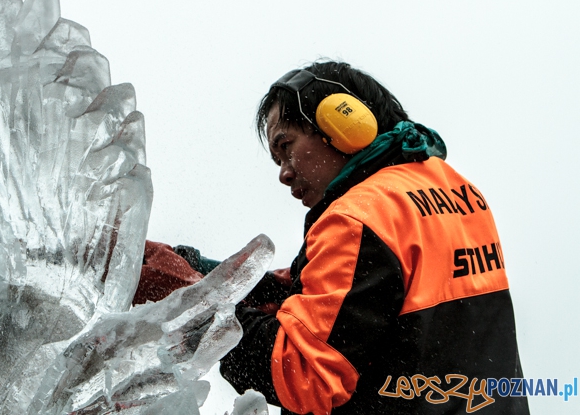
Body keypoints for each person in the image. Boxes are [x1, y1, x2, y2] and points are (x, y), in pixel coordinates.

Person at [211, 60, 529, 414]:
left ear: (344, 124)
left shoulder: (356, 217)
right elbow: (366, 295)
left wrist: (206, 312)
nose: (284, 174)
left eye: (286, 147)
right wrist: (205, 273)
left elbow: (304, 375)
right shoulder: (457, 190)